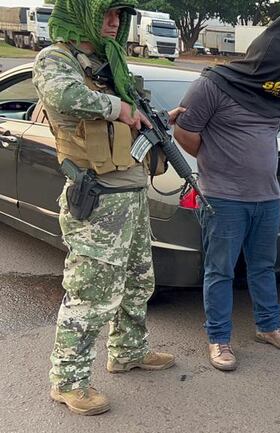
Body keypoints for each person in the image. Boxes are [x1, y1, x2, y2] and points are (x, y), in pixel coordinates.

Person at [34, 0, 178, 416]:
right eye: (106, 14)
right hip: (97, 200)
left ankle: (129, 351)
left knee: (137, 282)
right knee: (90, 295)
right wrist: (124, 109)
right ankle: (68, 381)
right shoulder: (56, 59)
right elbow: (65, 96)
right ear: (83, 14)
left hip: (130, 196)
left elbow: (128, 125)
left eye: (119, 15)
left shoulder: (108, 63)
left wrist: (156, 118)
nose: (115, 23)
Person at [173, 8, 280, 372]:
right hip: (224, 198)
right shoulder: (213, 84)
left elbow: (265, 137)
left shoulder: (275, 95)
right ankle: (219, 339)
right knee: (221, 270)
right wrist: (214, 160)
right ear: (265, 60)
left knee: (263, 266)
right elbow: (184, 131)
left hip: (267, 197)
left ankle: (269, 326)